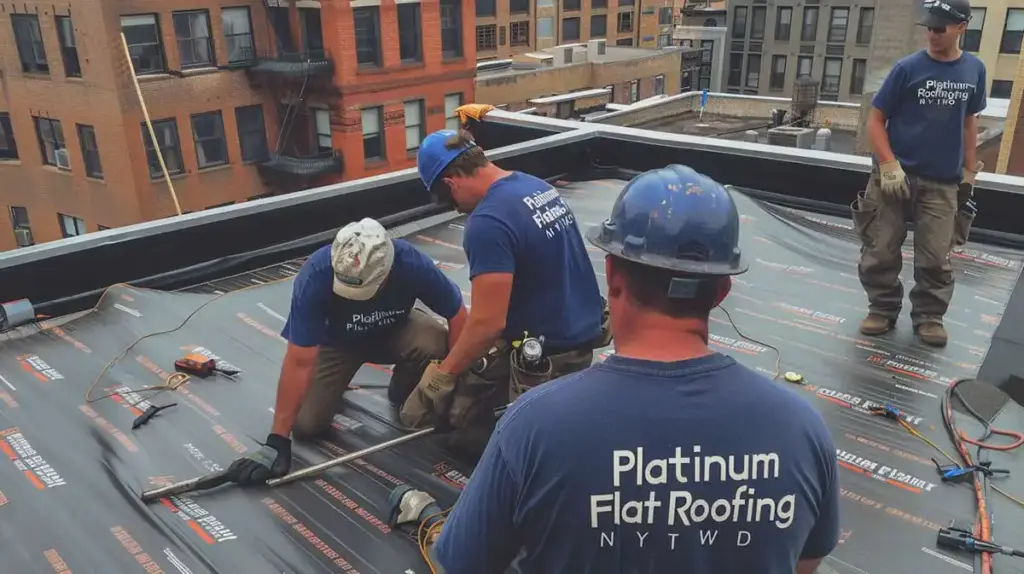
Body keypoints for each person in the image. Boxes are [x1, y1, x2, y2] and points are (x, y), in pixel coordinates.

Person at [429, 165, 841, 573]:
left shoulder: (532, 427)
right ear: (722, 291)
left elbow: (464, 564)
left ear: (613, 275)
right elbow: (804, 563)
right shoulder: (801, 429)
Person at [401, 128, 608, 454]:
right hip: (578, 333)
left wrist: (440, 378)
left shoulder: (488, 222)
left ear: (451, 182)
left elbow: (487, 324)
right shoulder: (533, 185)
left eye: (447, 199)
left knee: (469, 436)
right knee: (465, 399)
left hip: (549, 355)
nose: (455, 209)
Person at [224, 218, 468, 485]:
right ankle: (336, 384)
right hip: (338, 345)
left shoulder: (410, 263)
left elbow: (457, 315)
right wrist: (277, 440)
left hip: (395, 331)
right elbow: (299, 361)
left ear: (385, 272)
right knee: (307, 425)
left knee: (434, 343)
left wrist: (454, 379)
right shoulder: (317, 274)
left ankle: (403, 387)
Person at [853, 0, 986, 348]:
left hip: (942, 181)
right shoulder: (907, 69)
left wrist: (970, 170)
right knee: (880, 249)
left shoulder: (974, 70)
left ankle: (929, 317)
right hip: (895, 178)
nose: (932, 33)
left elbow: (970, 122)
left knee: (936, 257)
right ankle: (881, 309)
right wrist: (887, 164)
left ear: (962, 27)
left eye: (940, 28)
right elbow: (875, 120)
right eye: (928, 26)